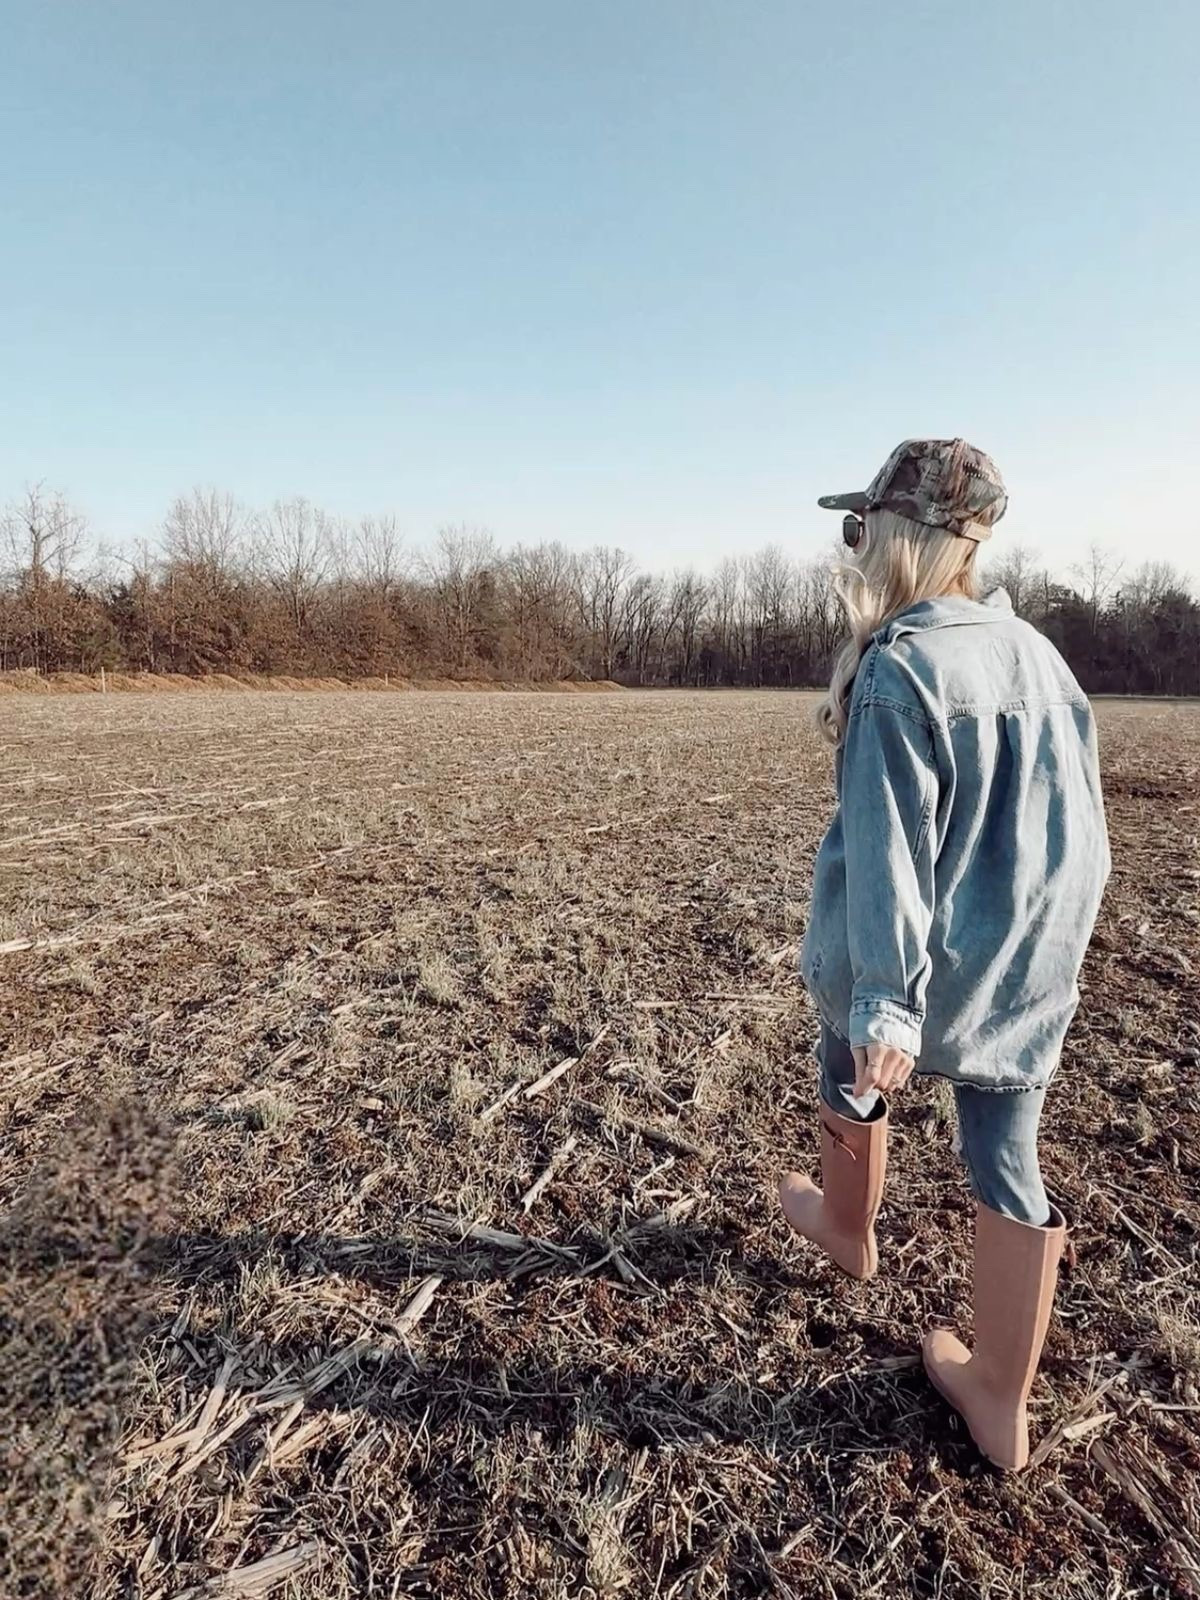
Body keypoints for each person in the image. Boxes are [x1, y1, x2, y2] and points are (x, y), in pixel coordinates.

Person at [779, 439, 1110, 1472]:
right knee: (1007, 1157)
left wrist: (886, 997)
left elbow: (889, 851)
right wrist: (1045, 961)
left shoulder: (900, 668)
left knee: (846, 1062)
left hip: (907, 960)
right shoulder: (1043, 659)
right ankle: (1001, 1397)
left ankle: (847, 1229)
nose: (854, 546)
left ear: (895, 536)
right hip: (1019, 969)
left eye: (860, 528)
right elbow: (1084, 838)